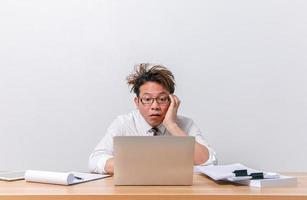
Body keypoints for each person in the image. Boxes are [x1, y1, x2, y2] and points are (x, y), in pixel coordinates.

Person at [88, 63, 217, 174]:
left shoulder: (185, 124)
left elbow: (210, 162)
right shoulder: (124, 123)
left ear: (172, 101)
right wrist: (138, 165)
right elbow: (95, 160)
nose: (155, 106)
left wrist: (172, 126)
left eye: (162, 99)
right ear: (137, 102)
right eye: (147, 99)